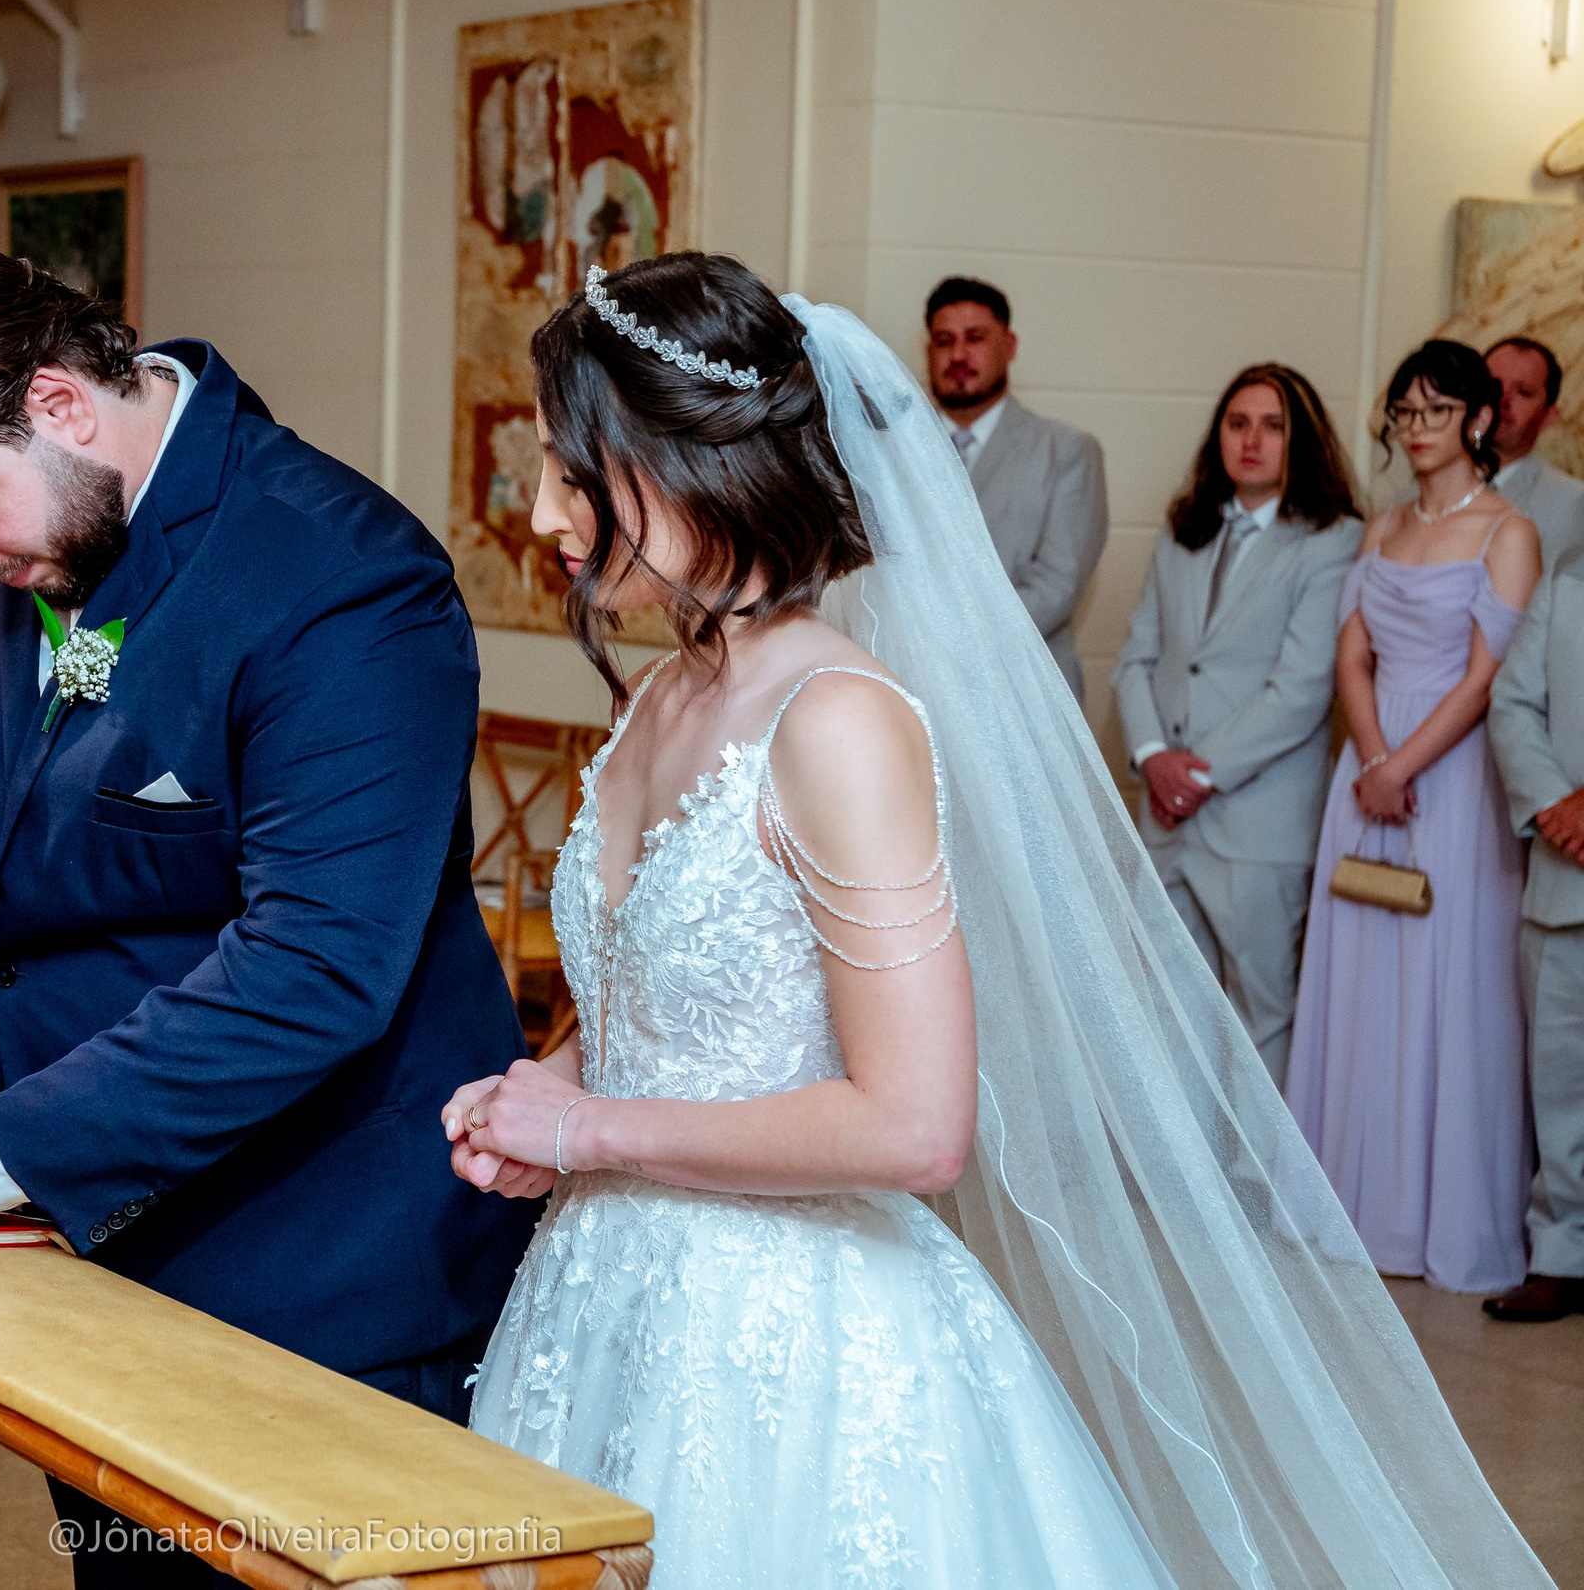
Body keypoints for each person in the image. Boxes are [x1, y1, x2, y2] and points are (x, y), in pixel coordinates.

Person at [446, 253, 1551, 1588]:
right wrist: (547, 1082)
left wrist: (590, 1127)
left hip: (790, 1342)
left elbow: (917, 1123)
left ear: (689, 461)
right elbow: (671, 997)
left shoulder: (837, 721)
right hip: (605, 1292)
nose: (545, 506)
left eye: (576, 466)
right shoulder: (663, 692)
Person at [0, 247, 539, 1590]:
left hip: (320, 1276)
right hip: (87, 1247)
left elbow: (314, 966)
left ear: (63, 404)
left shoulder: (340, 580)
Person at [1286, 340, 1542, 1295]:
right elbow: (1352, 654)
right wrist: (1371, 756)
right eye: (1405, 411)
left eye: (1438, 411)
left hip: (1452, 780)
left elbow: (1485, 677)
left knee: (1449, 982)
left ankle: (1439, 1215)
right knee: (1357, 982)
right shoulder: (1381, 525)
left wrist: (1403, 763)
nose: (1418, 427)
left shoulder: (1506, 530)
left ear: (1478, 419)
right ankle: (1355, 1208)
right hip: (1368, 774)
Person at [1113, 364, 1364, 1083]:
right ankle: (1177, 1186)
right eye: (1238, 422)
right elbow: (1137, 658)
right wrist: (1156, 755)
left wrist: (1200, 771)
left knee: (1261, 1014)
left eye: (1273, 424)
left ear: (1302, 439)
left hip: (1258, 819)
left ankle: (1256, 1192)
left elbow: (1302, 687)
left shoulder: (1333, 539)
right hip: (1166, 809)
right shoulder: (1182, 526)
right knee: (1163, 1004)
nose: (1252, 439)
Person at [924, 275, 1108, 699]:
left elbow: (1057, 585)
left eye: (975, 338)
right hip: (915, 693)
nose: (958, 354)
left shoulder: (1066, 452)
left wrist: (945, 645)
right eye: (944, 340)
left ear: (1009, 346)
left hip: (1026, 693)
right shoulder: (891, 449)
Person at [1485, 548, 1584, 1321]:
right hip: (1564, 876)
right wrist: (1555, 800)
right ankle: (1561, 1253)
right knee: (1559, 1083)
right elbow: (1513, 701)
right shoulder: (1570, 577)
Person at [1484, 335, 1584, 570]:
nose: (1503, 400)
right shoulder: (1429, 487)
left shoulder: (1570, 503)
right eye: (1493, 386)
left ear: (1549, 416)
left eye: (1523, 392)